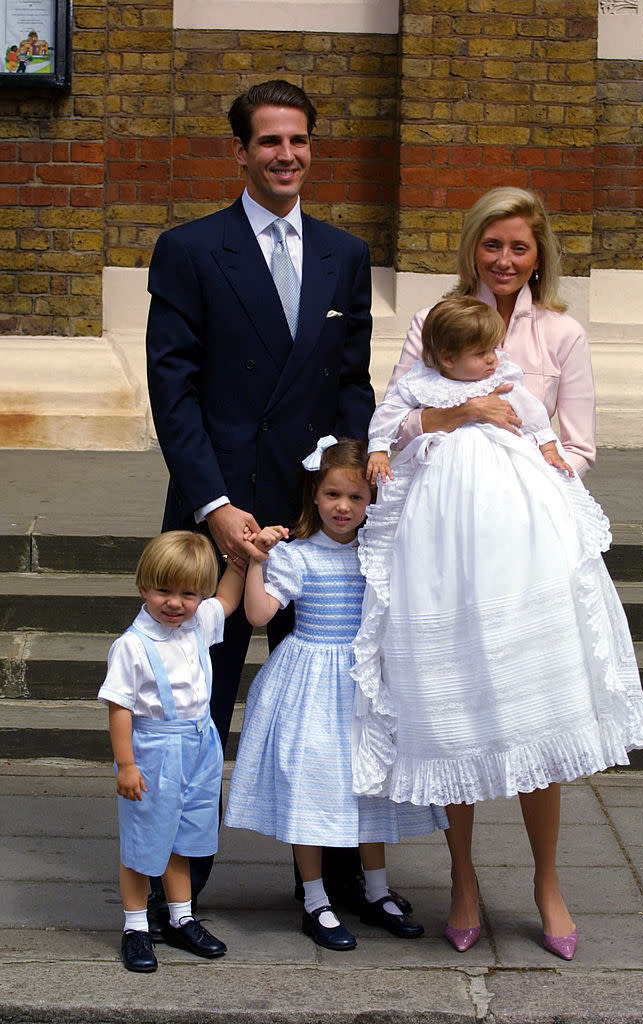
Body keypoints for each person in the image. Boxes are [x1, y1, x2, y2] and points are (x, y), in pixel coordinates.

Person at [352, 296, 643, 961]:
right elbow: (389, 423)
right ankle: (463, 879)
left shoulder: (507, 374)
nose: (495, 358)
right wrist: (399, 441)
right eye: (482, 352)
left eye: (494, 350)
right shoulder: (419, 382)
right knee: (450, 717)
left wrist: (547, 454)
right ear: (443, 356)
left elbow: (540, 423)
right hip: (439, 556)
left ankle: (547, 883)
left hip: (516, 550)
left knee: (532, 711)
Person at [145, 79, 376, 909]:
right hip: (218, 526)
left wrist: (342, 495)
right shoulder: (190, 248)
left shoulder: (345, 254)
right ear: (238, 151)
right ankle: (179, 890)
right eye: (270, 141)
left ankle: (337, 879)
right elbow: (172, 392)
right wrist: (215, 507)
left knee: (334, 709)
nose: (287, 155)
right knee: (190, 715)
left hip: (315, 531)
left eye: (299, 141)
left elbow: (351, 388)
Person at [225, 437, 445, 950]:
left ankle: (376, 890)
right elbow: (258, 615)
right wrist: (257, 560)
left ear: (371, 502)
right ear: (315, 496)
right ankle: (315, 897)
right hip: (310, 684)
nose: (343, 507)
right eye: (332, 495)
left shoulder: (378, 554)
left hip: (365, 684)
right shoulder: (298, 556)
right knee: (313, 783)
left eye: (355, 498)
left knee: (369, 783)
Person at [98, 528, 284, 972]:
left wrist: (241, 561)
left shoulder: (197, 623)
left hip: (200, 745)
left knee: (184, 837)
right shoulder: (132, 646)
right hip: (155, 750)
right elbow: (120, 709)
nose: (175, 603)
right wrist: (126, 764)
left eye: (188, 593)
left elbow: (227, 601)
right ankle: (136, 926)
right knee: (145, 841)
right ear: (144, 586)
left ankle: (182, 918)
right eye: (164, 590)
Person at [374, 186, 596, 479]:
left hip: (531, 498)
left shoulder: (566, 334)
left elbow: (579, 449)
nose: (504, 261)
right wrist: (467, 410)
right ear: (472, 250)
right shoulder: (431, 322)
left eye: (519, 248)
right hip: (440, 491)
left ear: (538, 257)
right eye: (491, 245)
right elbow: (396, 429)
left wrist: (533, 493)